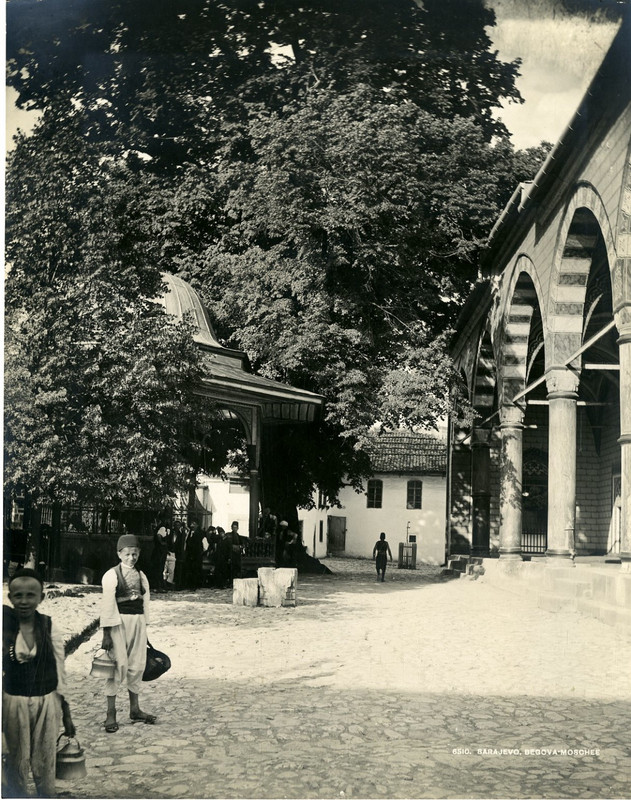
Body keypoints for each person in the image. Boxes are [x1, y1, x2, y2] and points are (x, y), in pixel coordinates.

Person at [2, 568, 76, 798]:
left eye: (31, 595)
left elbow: (60, 669)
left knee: (45, 759)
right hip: (13, 702)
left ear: (41, 597)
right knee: (16, 760)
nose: (24, 601)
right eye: (18, 595)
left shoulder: (49, 626)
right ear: (10, 597)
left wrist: (66, 712)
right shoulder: (4, 625)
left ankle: (46, 795)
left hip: (47, 701)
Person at [100, 534, 156, 733]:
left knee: (137, 665)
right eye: (127, 554)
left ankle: (135, 709)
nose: (131, 558)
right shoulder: (112, 575)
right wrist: (106, 634)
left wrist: (144, 627)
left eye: (134, 554)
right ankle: (110, 713)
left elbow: (145, 602)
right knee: (117, 666)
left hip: (138, 623)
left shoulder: (141, 575)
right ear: (119, 554)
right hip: (118, 624)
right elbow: (108, 605)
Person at [149, 522, 169, 593]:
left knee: (159, 569)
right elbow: (159, 535)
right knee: (159, 568)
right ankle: (159, 586)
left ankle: (158, 586)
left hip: (158, 551)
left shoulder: (161, 527)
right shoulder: (162, 527)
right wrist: (162, 543)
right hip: (160, 551)